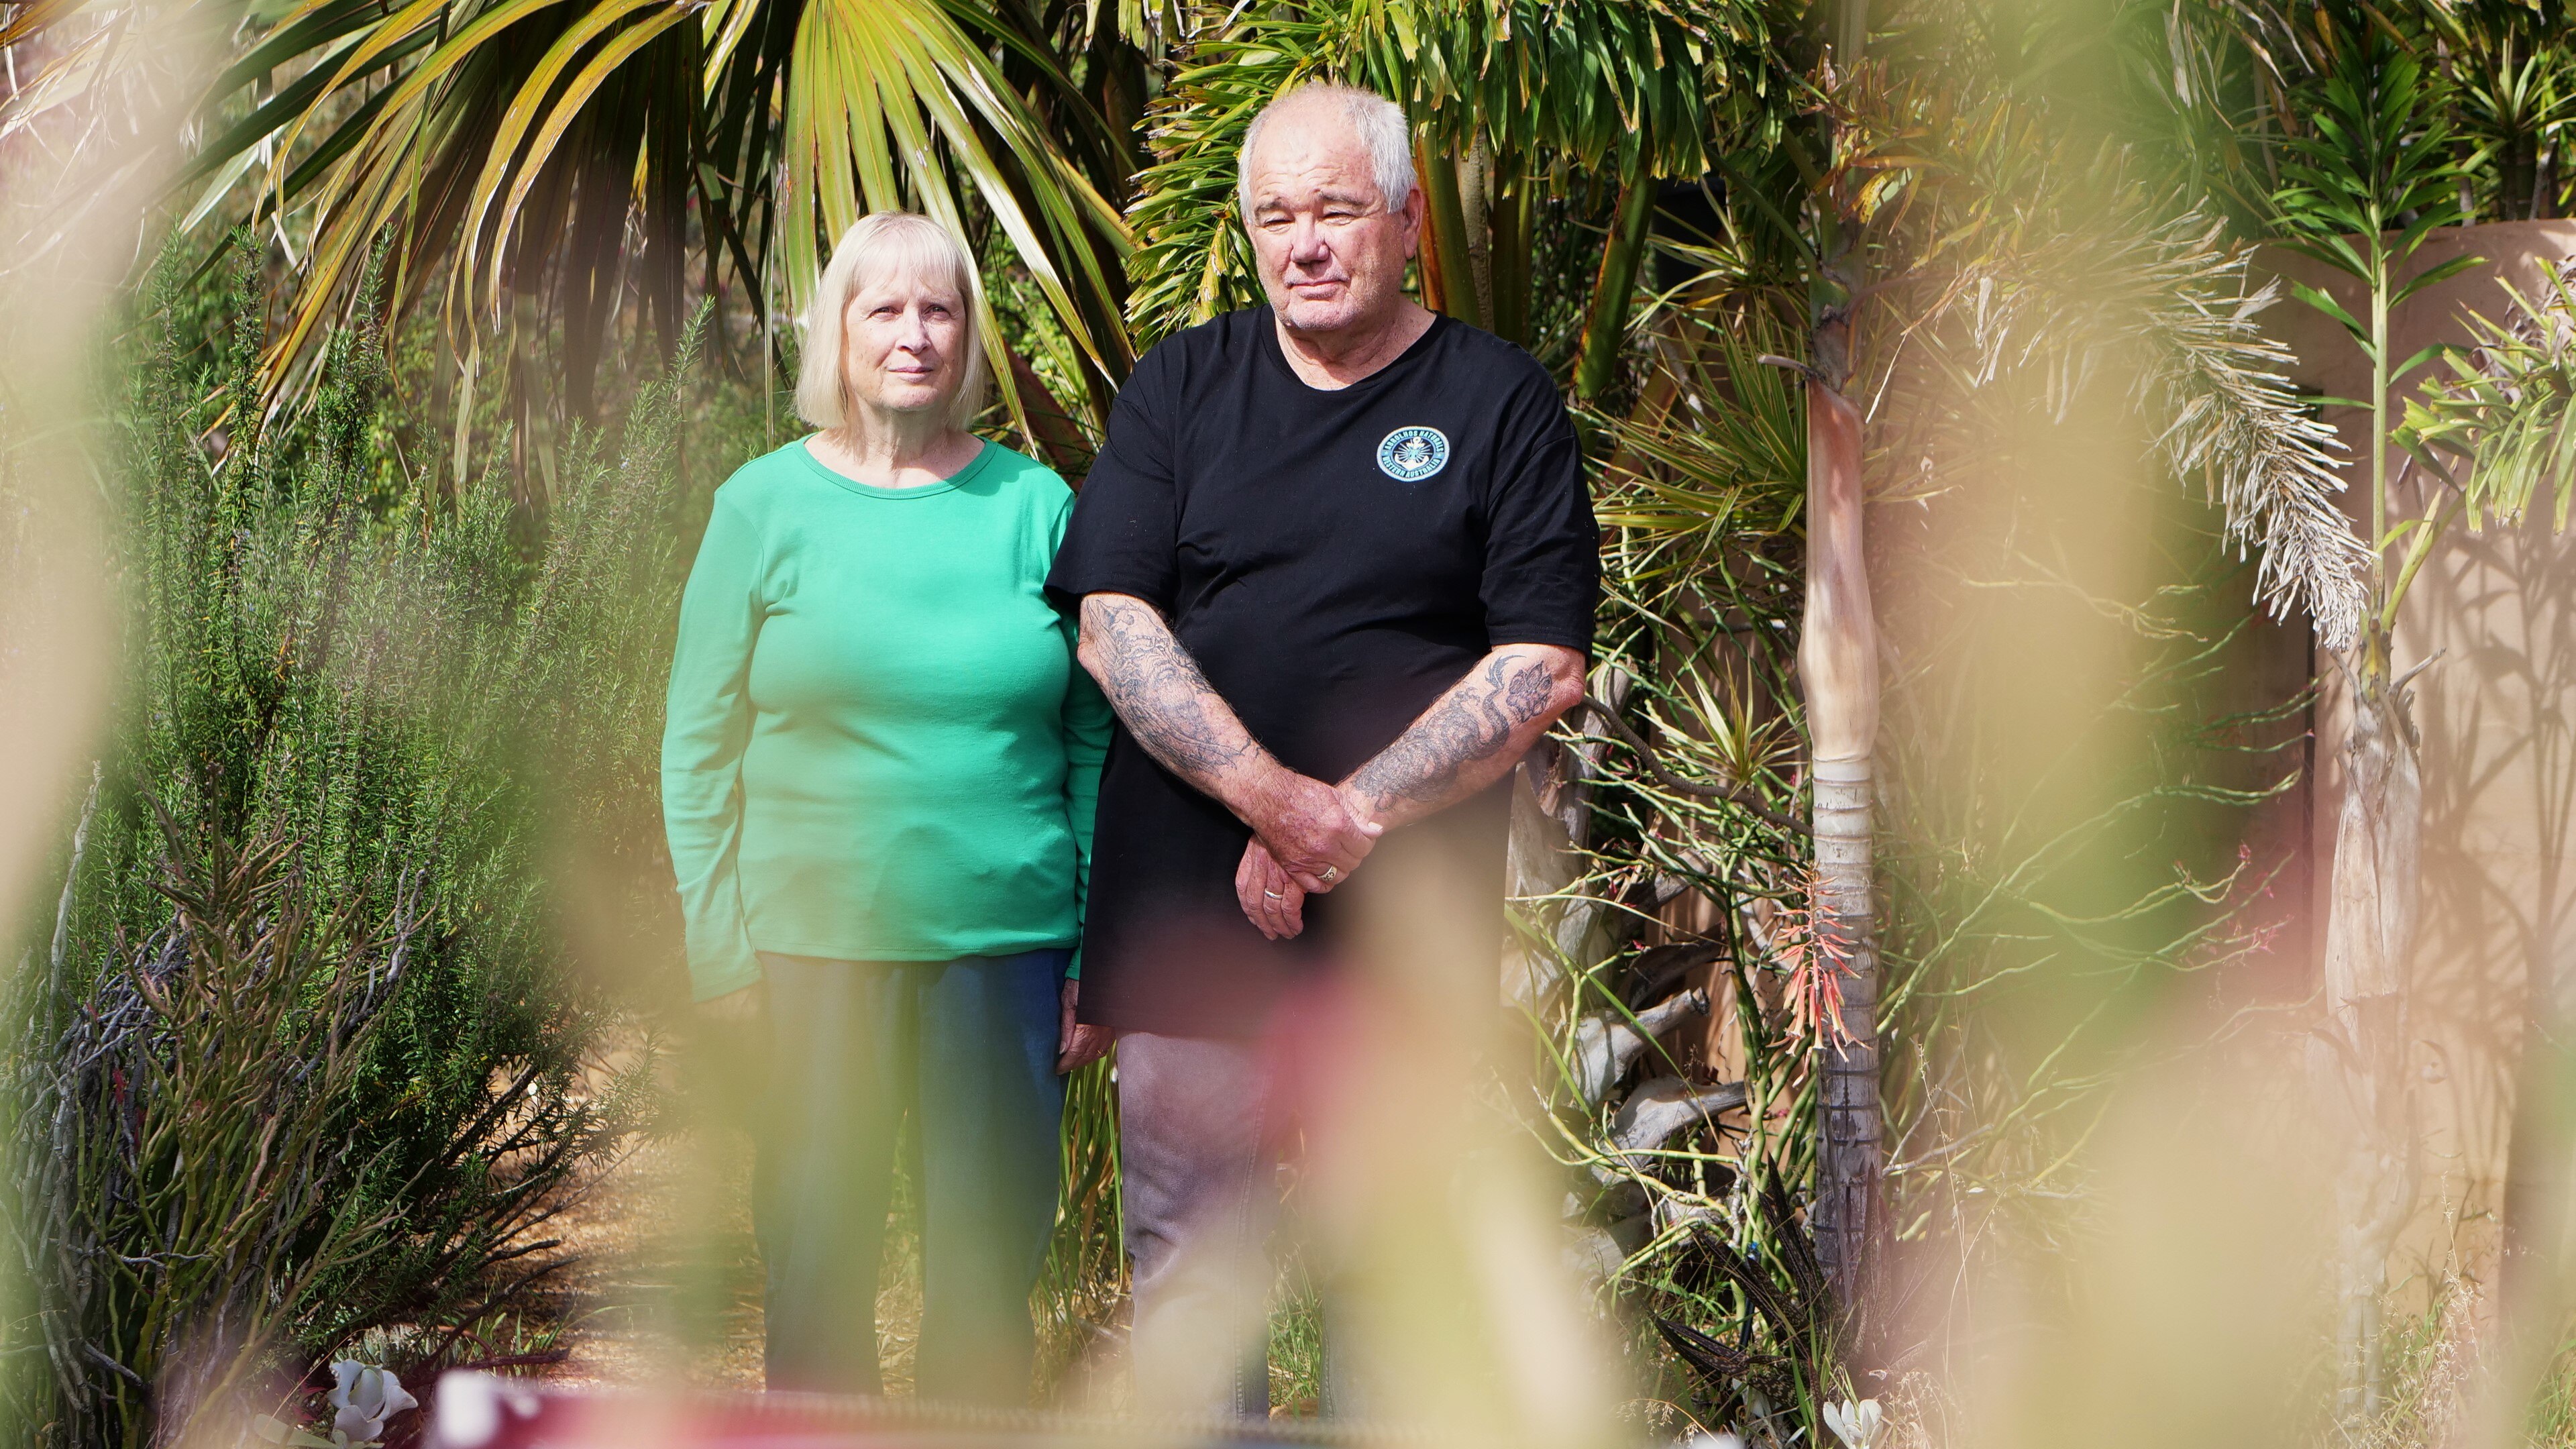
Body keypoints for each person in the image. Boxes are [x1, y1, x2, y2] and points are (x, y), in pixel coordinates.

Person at [1046, 83, 1599, 1415]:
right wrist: (1276, 803)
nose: (1305, 242)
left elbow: (1540, 664)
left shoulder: (1498, 400)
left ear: (1406, 221)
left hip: (1405, 931)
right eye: (1277, 216)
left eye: (1337, 210)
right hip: (1186, 921)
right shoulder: (1183, 388)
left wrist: (1348, 819)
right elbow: (1111, 626)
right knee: (1190, 1268)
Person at [660, 212, 1115, 1403]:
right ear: (837, 332)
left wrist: (1093, 949)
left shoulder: (1039, 509)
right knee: (817, 1265)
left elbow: (1091, 739)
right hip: (807, 955)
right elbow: (694, 750)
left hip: (1006, 953)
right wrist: (720, 956)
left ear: (968, 337)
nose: (914, 335)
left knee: (985, 1277)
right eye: (886, 309)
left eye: (940, 310)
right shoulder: (757, 509)